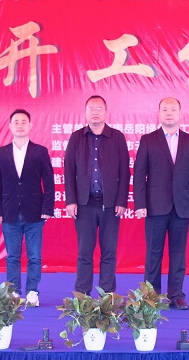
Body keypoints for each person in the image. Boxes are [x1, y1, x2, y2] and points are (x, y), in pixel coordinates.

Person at [134, 97, 189, 310]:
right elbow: (139, 174)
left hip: (182, 206)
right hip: (155, 205)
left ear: (180, 113)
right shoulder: (148, 140)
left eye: (173, 109)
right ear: (159, 113)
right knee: (153, 254)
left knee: (178, 254)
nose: (169, 113)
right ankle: (151, 296)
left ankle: (176, 295)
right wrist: (140, 203)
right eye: (165, 109)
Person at [64, 96, 130, 295]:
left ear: (106, 112)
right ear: (85, 113)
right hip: (84, 204)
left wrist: (121, 200)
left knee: (109, 252)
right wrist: (71, 200)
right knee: (85, 252)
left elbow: (125, 172)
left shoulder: (117, 137)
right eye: (91, 109)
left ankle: (107, 295)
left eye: (99, 108)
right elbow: (69, 171)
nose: (95, 112)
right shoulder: (76, 137)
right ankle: (82, 294)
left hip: (110, 204)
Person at [0, 109, 54, 307]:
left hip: (35, 212)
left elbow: (49, 182)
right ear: (10, 126)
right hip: (9, 211)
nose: (20, 125)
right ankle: (14, 292)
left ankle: (32, 291)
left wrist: (47, 208)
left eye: (23, 122)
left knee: (34, 256)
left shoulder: (40, 151)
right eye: (16, 122)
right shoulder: (1, 153)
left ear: (30, 125)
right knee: (12, 256)